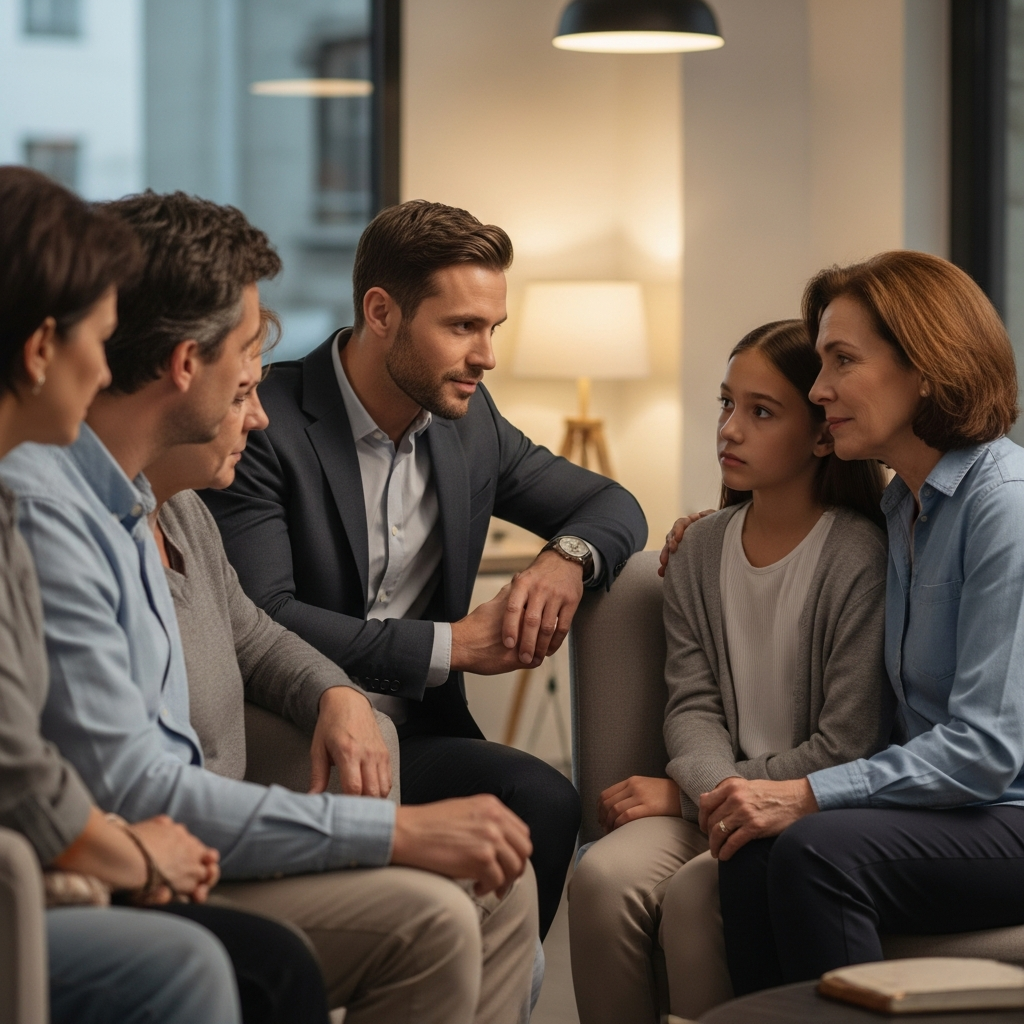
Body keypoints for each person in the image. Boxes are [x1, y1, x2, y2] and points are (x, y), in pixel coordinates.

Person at [0, 187, 537, 1024]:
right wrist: (397, 833)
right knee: (431, 911)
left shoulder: (159, 500)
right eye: (248, 358)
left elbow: (251, 626)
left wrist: (338, 693)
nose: (262, 392)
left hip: (190, 836)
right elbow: (110, 785)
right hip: (132, 866)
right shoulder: (46, 510)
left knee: (499, 882)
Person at [203, 199, 648, 936]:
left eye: (492, 328)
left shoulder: (469, 425)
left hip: (420, 731)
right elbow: (265, 614)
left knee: (545, 800)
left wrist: (564, 560)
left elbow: (611, 502)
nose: (487, 356)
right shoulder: (266, 425)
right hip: (298, 730)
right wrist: (456, 647)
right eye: (463, 327)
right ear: (382, 312)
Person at [0, 165, 330, 1024]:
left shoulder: (121, 500)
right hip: (59, 868)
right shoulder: (39, 502)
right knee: (204, 967)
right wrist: (134, 856)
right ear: (41, 350)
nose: (107, 367)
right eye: (97, 339)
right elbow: (25, 769)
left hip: (92, 853)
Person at [681, 251, 1024, 995]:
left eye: (841, 361)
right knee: (752, 851)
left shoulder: (1003, 506)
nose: (819, 388)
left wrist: (804, 795)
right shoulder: (904, 505)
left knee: (816, 849)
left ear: (926, 369)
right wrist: (708, 533)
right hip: (955, 810)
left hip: (1007, 809)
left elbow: (988, 752)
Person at [569, 320, 896, 1024]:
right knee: (599, 876)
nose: (730, 430)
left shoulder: (859, 558)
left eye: (761, 412)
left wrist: (688, 799)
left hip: (810, 808)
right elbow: (691, 706)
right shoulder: (697, 550)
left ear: (820, 435)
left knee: (696, 898)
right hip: (715, 794)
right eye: (726, 404)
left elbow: (846, 746)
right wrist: (711, 795)